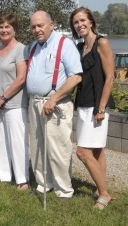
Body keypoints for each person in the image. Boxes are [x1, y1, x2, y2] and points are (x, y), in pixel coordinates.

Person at [26, 11, 83, 198]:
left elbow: (75, 77)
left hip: (56, 104)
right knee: (37, 146)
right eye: (34, 26)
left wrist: (54, 98)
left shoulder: (64, 44)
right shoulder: (34, 46)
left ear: (52, 25)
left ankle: (64, 190)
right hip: (35, 103)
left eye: (40, 25)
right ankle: (44, 182)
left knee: (58, 149)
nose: (37, 30)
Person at [70, 7, 115, 209]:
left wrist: (101, 108)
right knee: (97, 151)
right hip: (83, 103)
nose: (79, 25)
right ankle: (99, 188)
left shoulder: (101, 43)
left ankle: (104, 194)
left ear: (91, 22)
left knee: (82, 152)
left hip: (97, 106)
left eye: (82, 20)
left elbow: (110, 77)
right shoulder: (80, 47)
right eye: (75, 22)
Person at [0, 13, 29, 190]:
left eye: (7, 27)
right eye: (1, 27)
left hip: (14, 104)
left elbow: (21, 78)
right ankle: (4, 176)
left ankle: (22, 180)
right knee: (0, 141)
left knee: (17, 142)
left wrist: (3, 98)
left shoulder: (21, 49)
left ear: (14, 29)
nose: (3, 30)